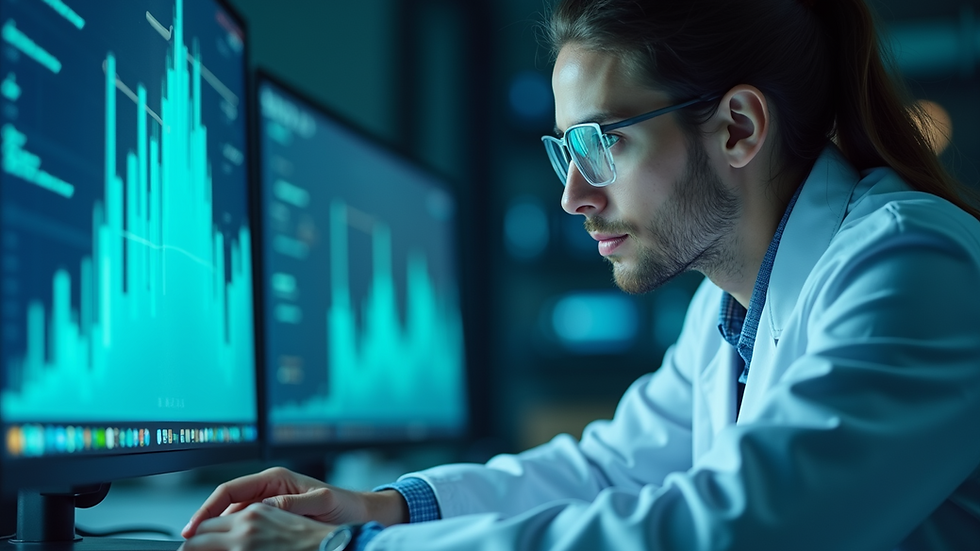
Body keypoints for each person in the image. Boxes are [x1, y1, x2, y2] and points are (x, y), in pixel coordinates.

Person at [180, 0, 980, 549]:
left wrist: (355, 545)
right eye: (565, 149)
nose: (572, 194)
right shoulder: (726, 304)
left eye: (603, 143)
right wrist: (385, 506)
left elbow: (736, 529)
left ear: (738, 128)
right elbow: (609, 468)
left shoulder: (910, 268)